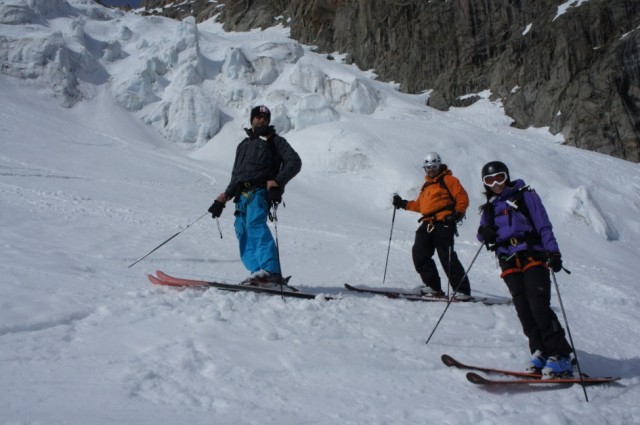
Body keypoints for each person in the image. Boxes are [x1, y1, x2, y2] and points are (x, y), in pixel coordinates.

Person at [476, 161, 573, 378]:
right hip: (507, 259)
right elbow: (481, 234)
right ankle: (539, 350)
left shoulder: (525, 196)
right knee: (523, 308)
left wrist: (553, 252)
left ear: (507, 177)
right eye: (490, 180)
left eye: (499, 177)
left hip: (532, 253)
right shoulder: (490, 207)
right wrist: (486, 232)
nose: (496, 183)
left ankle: (561, 355)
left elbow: (543, 224)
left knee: (538, 303)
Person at [208, 105, 301, 286]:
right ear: (251, 120)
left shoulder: (275, 141)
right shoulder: (243, 145)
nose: (262, 121)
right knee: (241, 230)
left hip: (259, 192)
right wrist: (224, 197)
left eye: (265, 119)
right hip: (241, 195)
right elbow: (237, 175)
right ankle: (258, 273)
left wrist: (278, 181)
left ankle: (271, 272)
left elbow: (294, 162)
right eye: (258, 117)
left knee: (255, 224)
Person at [392, 152, 472, 300]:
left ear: (439, 165)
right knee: (419, 253)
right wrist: (402, 203)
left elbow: (462, 198)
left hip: (444, 223)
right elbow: (421, 207)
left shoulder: (448, 180)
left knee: (446, 257)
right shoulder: (427, 186)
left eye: (434, 166)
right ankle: (433, 287)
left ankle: (462, 291)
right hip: (428, 223)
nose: (430, 169)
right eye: (427, 167)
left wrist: (456, 214)